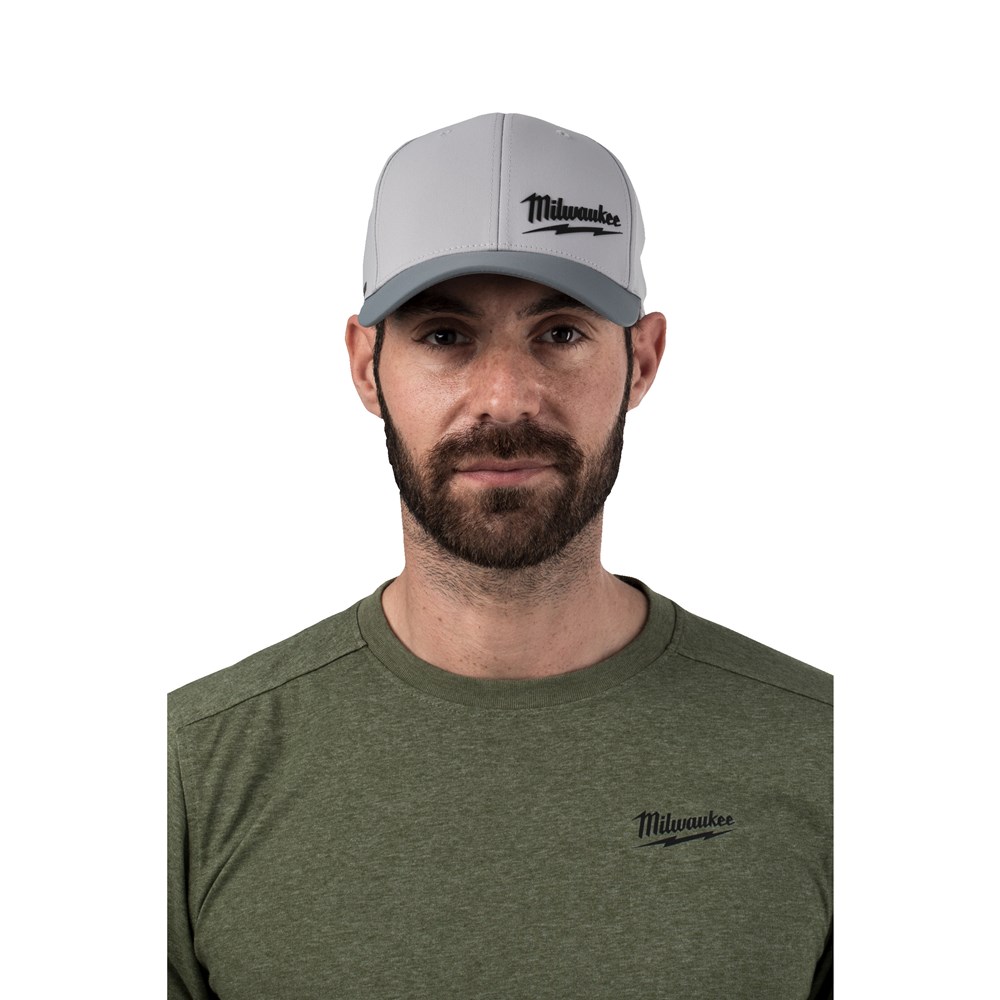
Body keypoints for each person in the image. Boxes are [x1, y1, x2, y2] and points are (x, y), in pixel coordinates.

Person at [168, 113, 832, 1000]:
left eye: (560, 334)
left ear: (642, 361)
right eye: (445, 336)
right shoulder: (190, 771)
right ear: (367, 367)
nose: (506, 398)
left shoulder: (830, 754)